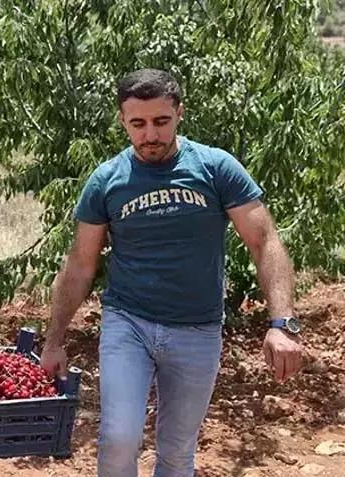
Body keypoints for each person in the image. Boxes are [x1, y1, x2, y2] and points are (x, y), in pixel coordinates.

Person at [40, 68, 304, 477]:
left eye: (161, 121)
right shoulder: (107, 181)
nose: (150, 135)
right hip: (128, 323)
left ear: (180, 113)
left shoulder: (216, 169)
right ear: (122, 121)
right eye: (138, 124)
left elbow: (264, 239)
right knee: (117, 441)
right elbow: (80, 263)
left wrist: (282, 323)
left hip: (197, 330)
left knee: (178, 454)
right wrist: (54, 340)